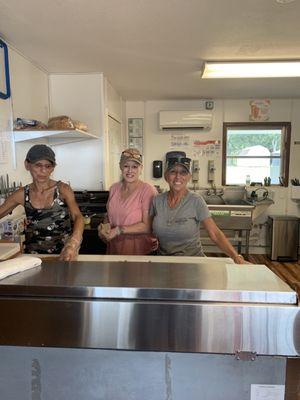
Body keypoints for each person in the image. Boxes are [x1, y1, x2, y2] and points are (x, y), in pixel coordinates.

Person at [150, 156, 248, 264]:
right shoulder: (157, 201)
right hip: (164, 261)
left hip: (192, 261)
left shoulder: (196, 201)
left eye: (183, 172)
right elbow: (147, 230)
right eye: (173, 172)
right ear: (166, 176)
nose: (178, 176)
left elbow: (214, 233)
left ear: (189, 177)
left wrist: (235, 256)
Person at [0, 144, 84, 260]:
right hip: (33, 258)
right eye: (38, 165)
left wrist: (73, 243)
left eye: (48, 166)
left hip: (64, 255)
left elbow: (78, 216)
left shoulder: (63, 189)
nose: (43, 171)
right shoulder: (22, 194)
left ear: (53, 168)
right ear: (27, 165)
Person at [98, 148, 157, 255]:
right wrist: (104, 227)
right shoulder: (114, 188)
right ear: (121, 167)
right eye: (126, 166)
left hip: (139, 251)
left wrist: (118, 230)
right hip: (114, 248)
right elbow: (109, 215)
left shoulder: (148, 190)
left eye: (135, 167)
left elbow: (147, 226)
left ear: (141, 168)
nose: (130, 171)